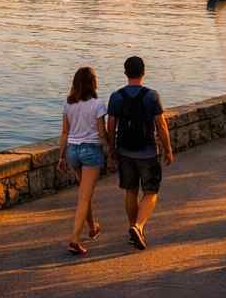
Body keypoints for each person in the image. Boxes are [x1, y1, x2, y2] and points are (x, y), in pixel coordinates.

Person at [105, 55, 173, 250]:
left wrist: (112, 149)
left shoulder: (116, 96)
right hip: (148, 152)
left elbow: (111, 126)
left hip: (125, 151)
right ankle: (138, 226)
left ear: (125, 73)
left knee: (131, 191)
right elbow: (161, 125)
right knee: (151, 192)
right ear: (143, 72)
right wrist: (168, 149)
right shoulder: (152, 96)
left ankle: (132, 230)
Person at [56, 66, 110, 254]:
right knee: (84, 197)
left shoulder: (68, 104)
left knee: (84, 194)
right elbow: (101, 133)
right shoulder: (98, 104)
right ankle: (74, 239)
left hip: (72, 151)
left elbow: (64, 133)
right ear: (93, 83)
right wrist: (110, 149)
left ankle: (93, 228)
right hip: (90, 151)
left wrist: (61, 156)